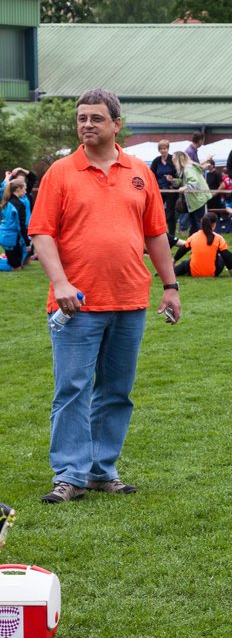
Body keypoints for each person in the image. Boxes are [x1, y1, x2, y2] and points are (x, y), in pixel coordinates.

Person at [28, 88, 181, 504]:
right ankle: (69, 474)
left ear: (117, 124)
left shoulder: (140, 172)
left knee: (115, 391)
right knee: (72, 390)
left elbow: (156, 234)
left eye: (96, 118)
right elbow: (42, 233)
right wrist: (60, 284)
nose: (87, 125)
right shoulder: (61, 172)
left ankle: (100, 470)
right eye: (82, 118)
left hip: (131, 300)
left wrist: (170, 286)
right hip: (76, 304)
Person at [174, 212, 232, 278]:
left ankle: (173, 272)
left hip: (193, 272)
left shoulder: (194, 236)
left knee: (186, 263)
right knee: (223, 256)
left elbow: (182, 250)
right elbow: (227, 258)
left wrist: (173, 261)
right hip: (213, 272)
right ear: (214, 224)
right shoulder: (218, 238)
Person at [172, 150, 210, 234]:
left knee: (197, 226)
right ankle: (193, 243)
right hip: (195, 201)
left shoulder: (188, 169)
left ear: (178, 160)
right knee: (194, 226)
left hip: (197, 201)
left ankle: (199, 243)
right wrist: (173, 181)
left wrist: (184, 188)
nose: (173, 162)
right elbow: (185, 181)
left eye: (174, 160)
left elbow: (194, 183)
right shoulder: (187, 169)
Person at [149, 140, 180, 236]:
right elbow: (151, 175)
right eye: (161, 149)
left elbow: (178, 174)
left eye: (165, 148)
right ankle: (159, 232)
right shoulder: (156, 161)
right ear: (159, 150)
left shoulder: (173, 159)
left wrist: (172, 179)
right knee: (158, 210)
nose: (163, 150)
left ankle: (171, 234)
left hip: (171, 190)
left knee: (170, 212)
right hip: (159, 190)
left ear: (168, 149)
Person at [1, 176, 31, 270]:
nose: (26, 192)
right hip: (10, 239)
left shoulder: (7, 201)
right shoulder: (18, 205)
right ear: (18, 189)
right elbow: (21, 226)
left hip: (6, 236)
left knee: (18, 265)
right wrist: (27, 243)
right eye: (25, 189)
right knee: (15, 267)